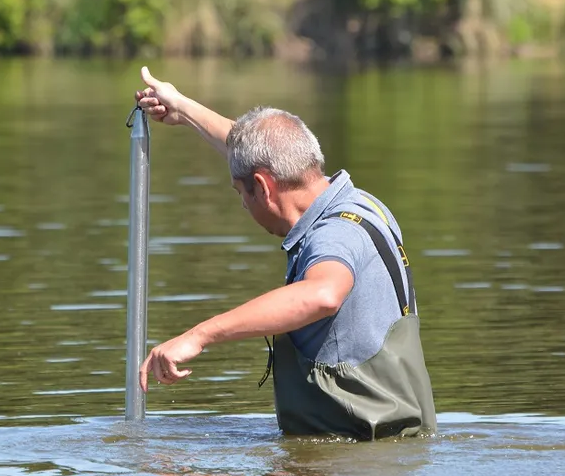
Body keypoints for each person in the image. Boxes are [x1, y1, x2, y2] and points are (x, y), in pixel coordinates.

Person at [134, 66, 437, 440]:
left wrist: (199, 335)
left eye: (239, 193)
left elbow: (322, 294)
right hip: (391, 458)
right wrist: (182, 108)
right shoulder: (364, 205)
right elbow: (252, 149)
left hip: (353, 464)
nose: (243, 206)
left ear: (262, 187)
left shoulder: (333, 236)